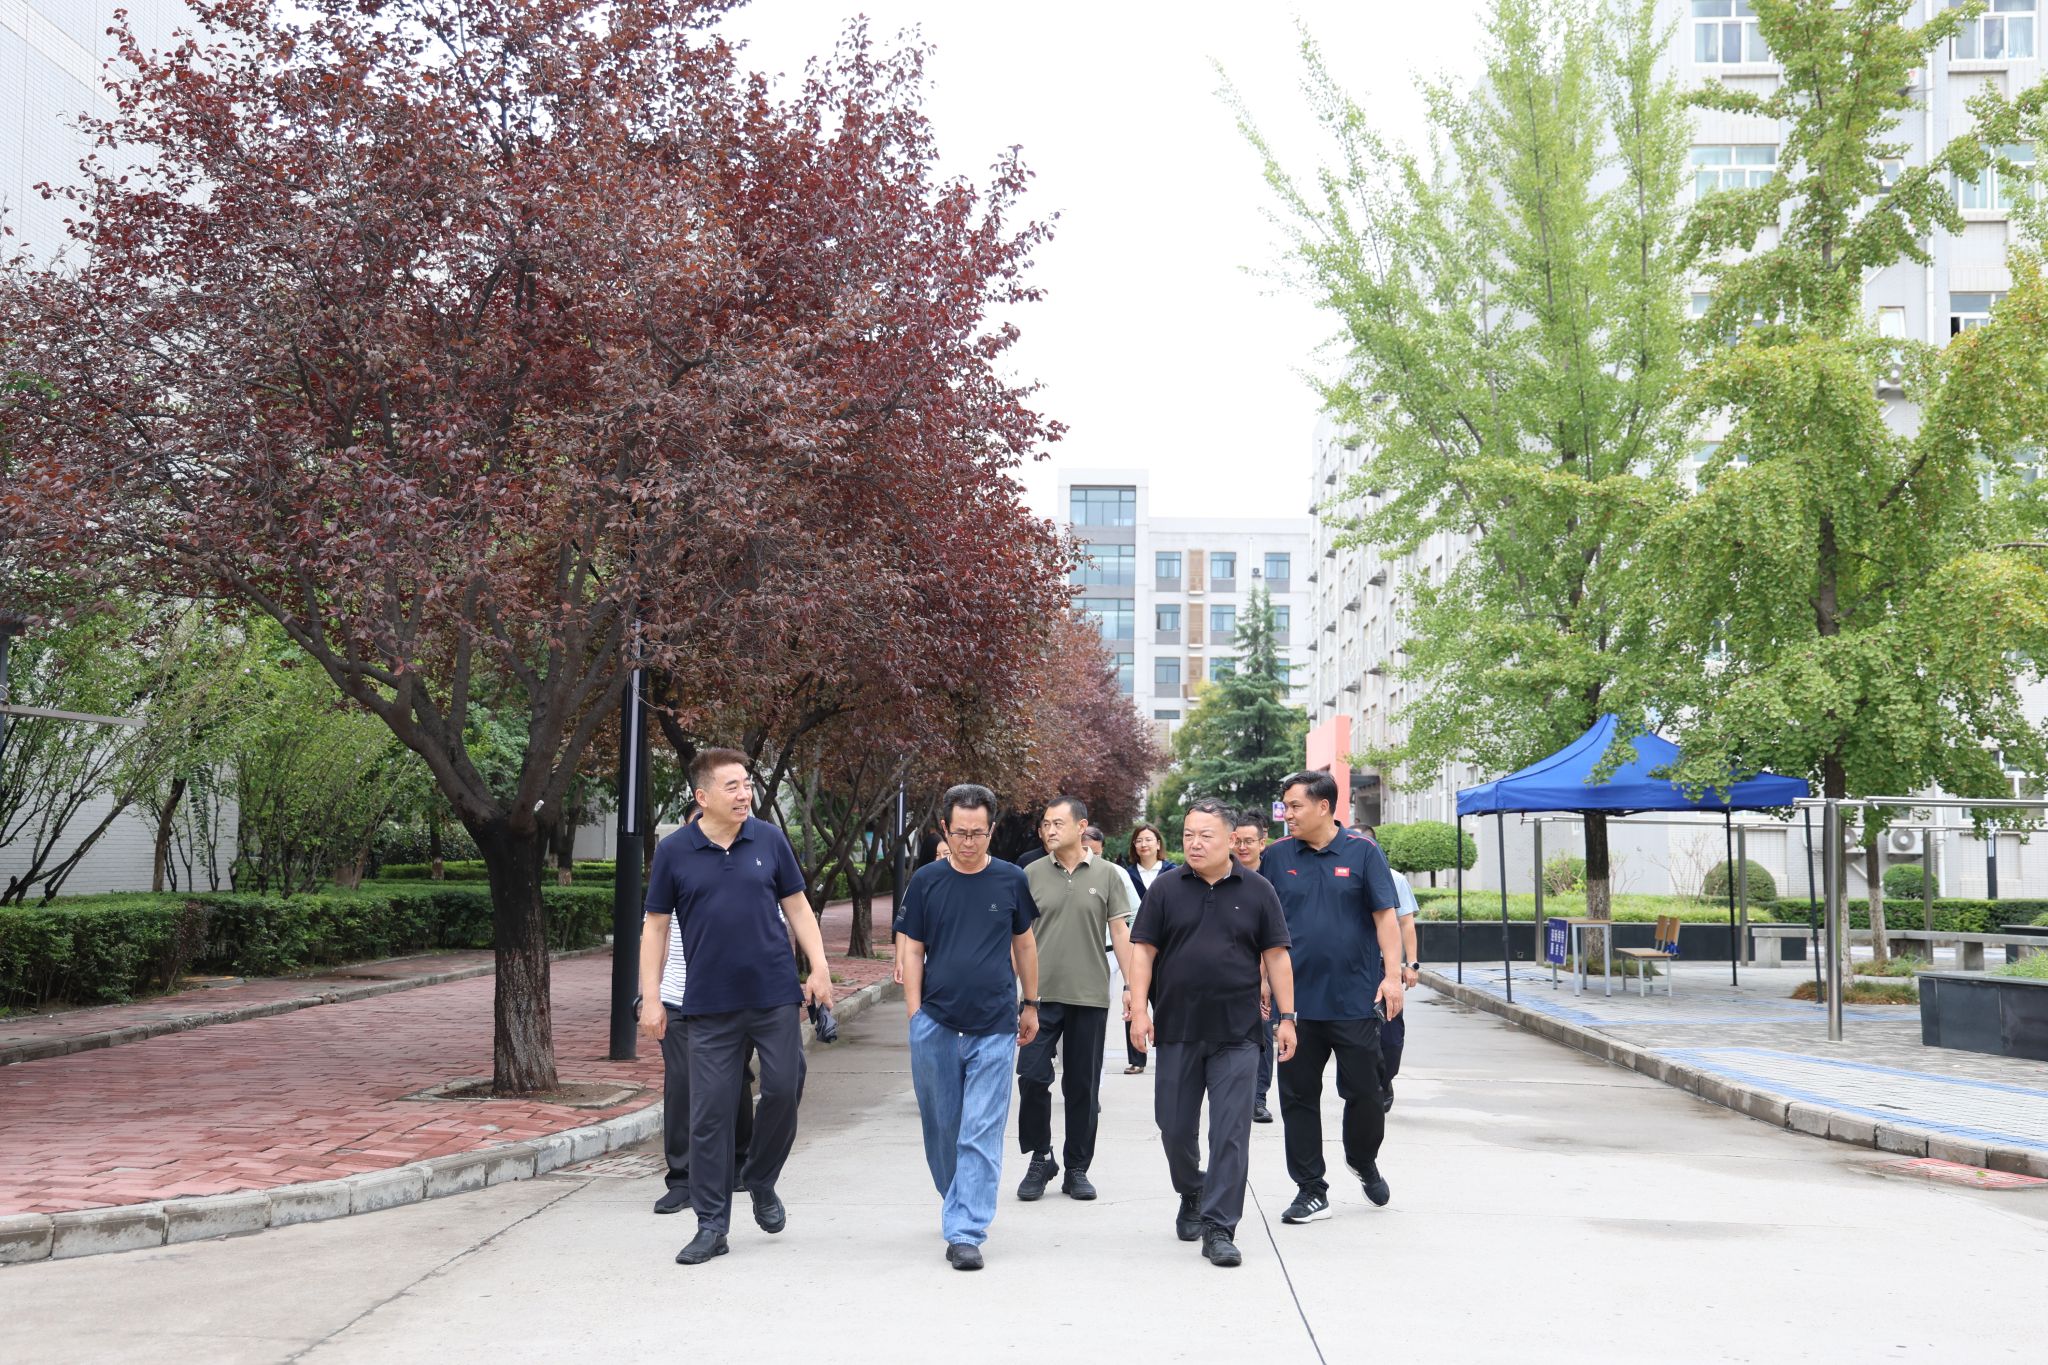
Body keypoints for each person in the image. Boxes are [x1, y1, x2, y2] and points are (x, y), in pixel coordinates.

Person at [638, 748, 834, 1266]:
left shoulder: (768, 839)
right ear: (702, 796)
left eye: (747, 784)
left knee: (785, 1088)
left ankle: (761, 1179)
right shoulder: (675, 851)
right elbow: (655, 928)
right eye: (733, 786)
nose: (744, 794)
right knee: (709, 1115)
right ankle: (711, 1225)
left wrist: (819, 967)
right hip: (708, 1005)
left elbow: (798, 906)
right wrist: (651, 998)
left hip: (774, 995)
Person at [1126, 799, 1296, 1268]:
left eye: (1206, 835)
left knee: (1231, 1132)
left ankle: (1220, 1226)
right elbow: (1143, 952)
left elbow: (1277, 956)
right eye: (1188, 835)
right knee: (1174, 1127)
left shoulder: (1258, 890)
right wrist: (1138, 1010)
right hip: (1178, 1028)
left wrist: (1287, 1017)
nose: (1195, 844)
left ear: (1230, 840)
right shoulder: (1165, 889)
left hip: (1238, 1032)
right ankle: (1191, 1191)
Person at [897, 784, 1041, 1271]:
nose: (969, 842)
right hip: (935, 1023)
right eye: (960, 833)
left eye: (978, 833)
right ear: (944, 829)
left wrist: (1031, 1003)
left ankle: (965, 1230)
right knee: (942, 1129)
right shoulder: (926, 881)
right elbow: (913, 948)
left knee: (980, 1130)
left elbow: (1024, 945)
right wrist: (915, 1013)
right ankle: (957, 1198)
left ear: (991, 831)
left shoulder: (1011, 879)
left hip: (995, 1024)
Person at [1259, 770, 1405, 1225]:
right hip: (1295, 1006)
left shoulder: (1363, 853)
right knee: (1298, 1097)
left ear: (1324, 807)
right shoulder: (1277, 857)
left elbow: (1386, 918)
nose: (1287, 814)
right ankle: (1310, 1188)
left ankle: (1362, 1159)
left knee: (1366, 1092)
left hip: (1353, 999)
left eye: (1295, 806)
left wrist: (1393, 976)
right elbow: (1263, 927)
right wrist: (1262, 978)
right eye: (1285, 806)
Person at [1016, 795, 1138, 1201]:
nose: (1049, 830)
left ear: (1081, 827)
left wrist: (1132, 988)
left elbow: (1120, 932)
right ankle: (1041, 1157)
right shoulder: (1030, 873)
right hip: (1039, 996)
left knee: (1083, 1087)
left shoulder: (1108, 874)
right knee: (1032, 1076)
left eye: (1057, 823)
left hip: (1089, 995)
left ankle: (1077, 1168)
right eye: (1045, 824)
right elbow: (1017, 936)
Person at [646, 806, 755, 1216]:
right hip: (680, 998)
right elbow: (654, 935)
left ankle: (739, 1163)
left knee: (736, 1081)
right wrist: (649, 997)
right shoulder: (675, 866)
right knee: (683, 1084)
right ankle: (682, 1178)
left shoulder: (746, 869)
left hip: (735, 1000)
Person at [1230, 811, 1279, 1124]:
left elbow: (1272, 938)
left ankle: (1258, 1097)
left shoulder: (1272, 882)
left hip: (1263, 972)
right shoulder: (1219, 877)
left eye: (1249, 841)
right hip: (1226, 973)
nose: (1243, 847)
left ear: (1263, 843)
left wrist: (1264, 979)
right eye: (1237, 841)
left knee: (1262, 1031)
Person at [1118, 823, 1177, 1076]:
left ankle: (1168, 1053)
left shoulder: (1172, 872)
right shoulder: (1126, 874)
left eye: (1149, 839)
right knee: (1135, 999)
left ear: (1158, 844)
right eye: (1139, 840)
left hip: (1167, 945)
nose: (1144, 844)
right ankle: (1136, 1058)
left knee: (1166, 1003)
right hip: (1137, 944)